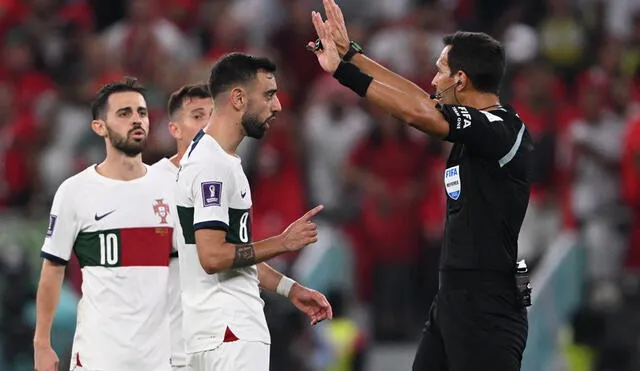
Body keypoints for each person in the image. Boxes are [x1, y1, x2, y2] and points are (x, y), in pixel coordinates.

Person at [308, 1, 533, 370]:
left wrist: (344, 75)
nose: (433, 81)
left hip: (488, 304)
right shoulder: (476, 130)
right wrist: (352, 55)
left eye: (440, 71)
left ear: (460, 79)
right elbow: (418, 100)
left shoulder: (500, 129)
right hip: (454, 298)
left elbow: (416, 113)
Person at [174, 52, 333, 371]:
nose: (278, 106)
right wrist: (283, 242)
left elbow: (233, 254)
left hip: (206, 331)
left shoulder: (208, 157)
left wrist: (290, 288)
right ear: (237, 98)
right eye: (269, 95)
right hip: (232, 332)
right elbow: (213, 258)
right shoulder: (213, 166)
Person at [34, 77, 175, 371]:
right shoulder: (75, 191)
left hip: (162, 357)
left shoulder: (172, 186)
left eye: (142, 112)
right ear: (100, 127)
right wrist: (42, 343)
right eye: (124, 114)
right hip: (99, 356)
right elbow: (52, 269)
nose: (136, 120)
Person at [150, 83, 213, 370]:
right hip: (171, 345)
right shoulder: (150, 183)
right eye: (198, 116)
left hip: (221, 340)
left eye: (213, 115)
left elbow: (236, 256)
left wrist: (289, 288)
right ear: (174, 129)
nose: (208, 124)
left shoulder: (228, 177)